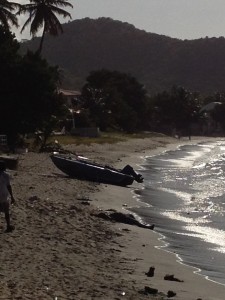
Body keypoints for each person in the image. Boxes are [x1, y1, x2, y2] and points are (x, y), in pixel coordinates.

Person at [0, 160, 15, 232]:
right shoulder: (6, 175)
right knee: (6, 212)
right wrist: (12, 196)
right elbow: (9, 186)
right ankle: (8, 226)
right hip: (4, 196)